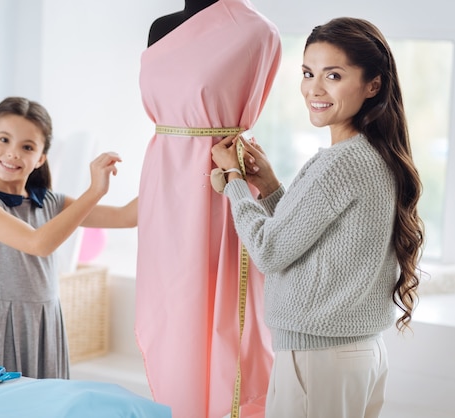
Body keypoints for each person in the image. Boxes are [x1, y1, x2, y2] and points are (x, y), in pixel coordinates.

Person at [211, 17, 424, 418]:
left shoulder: (342, 162)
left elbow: (270, 250)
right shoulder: (375, 155)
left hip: (319, 355)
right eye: (308, 73)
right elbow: (315, 239)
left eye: (334, 75)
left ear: (373, 85)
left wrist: (234, 182)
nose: (315, 89)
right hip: (357, 355)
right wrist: (271, 187)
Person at [135, 1, 281, 417]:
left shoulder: (256, 31)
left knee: (217, 305)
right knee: (172, 302)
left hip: (218, 173)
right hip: (164, 176)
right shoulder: (160, 27)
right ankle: (178, 402)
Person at [0, 96, 137, 379]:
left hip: (45, 322)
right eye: (4, 140)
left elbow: (128, 216)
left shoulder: (49, 202)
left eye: (27, 146)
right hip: (1, 325)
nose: (13, 153)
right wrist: (94, 191)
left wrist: (176, 161)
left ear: (40, 157)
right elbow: (38, 244)